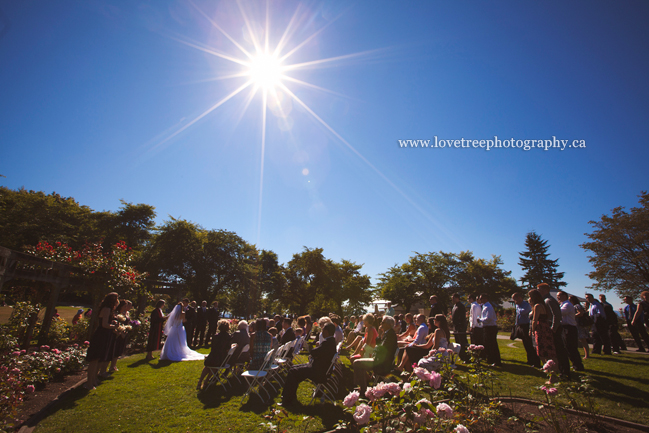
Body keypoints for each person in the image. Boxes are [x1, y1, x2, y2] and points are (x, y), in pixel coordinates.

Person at [282, 323, 337, 406]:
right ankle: (290, 396)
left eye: (323, 330)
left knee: (293, 372)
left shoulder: (327, 343)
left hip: (318, 372)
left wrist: (314, 349)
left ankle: (287, 398)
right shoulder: (331, 341)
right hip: (320, 369)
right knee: (293, 368)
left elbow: (314, 352)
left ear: (326, 331)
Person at [352, 315, 398, 396]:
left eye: (383, 322)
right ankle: (362, 386)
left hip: (382, 364)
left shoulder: (390, 335)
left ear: (388, 324)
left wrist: (375, 348)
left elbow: (381, 349)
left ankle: (363, 389)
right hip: (380, 360)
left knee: (356, 363)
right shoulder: (388, 333)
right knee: (357, 362)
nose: (381, 323)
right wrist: (380, 335)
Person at [85, 292, 119, 390]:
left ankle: (94, 379)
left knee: (99, 359)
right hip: (102, 334)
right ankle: (89, 382)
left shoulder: (108, 309)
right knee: (95, 359)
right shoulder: (107, 309)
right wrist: (114, 326)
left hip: (105, 334)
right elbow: (104, 324)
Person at [538, 283, 570, 379]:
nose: (538, 291)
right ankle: (558, 369)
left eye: (539, 289)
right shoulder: (545, 300)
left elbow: (557, 315)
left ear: (545, 290)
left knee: (559, 350)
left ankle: (565, 372)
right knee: (555, 351)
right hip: (552, 328)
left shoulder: (549, 300)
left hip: (554, 328)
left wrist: (553, 328)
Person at [529, 289, 557, 381]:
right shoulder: (543, 305)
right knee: (546, 351)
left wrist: (532, 330)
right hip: (545, 328)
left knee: (544, 352)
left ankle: (552, 375)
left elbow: (534, 319)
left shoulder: (537, 306)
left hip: (540, 329)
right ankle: (551, 373)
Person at [197, 319, 233, 390]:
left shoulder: (215, 336)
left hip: (212, 357)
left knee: (208, 366)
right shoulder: (229, 337)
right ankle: (206, 380)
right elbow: (227, 349)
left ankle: (200, 380)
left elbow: (213, 348)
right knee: (214, 366)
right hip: (221, 359)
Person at [511, 292, 540, 368]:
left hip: (526, 325)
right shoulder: (518, 305)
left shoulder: (526, 305)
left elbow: (523, 312)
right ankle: (529, 360)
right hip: (520, 325)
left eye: (515, 299)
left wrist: (518, 306)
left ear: (519, 298)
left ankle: (536, 361)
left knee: (530, 344)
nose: (514, 301)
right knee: (526, 344)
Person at [557, 291, 584, 371]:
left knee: (571, 347)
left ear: (564, 296)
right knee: (568, 347)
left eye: (559, 295)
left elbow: (560, 313)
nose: (558, 297)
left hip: (569, 328)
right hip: (565, 327)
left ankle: (578, 365)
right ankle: (575, 364)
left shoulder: (567, 305)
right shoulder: (563, 304)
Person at [477, 293, 501, 366]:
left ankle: (496, 360)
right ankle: (490, 359)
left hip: (490, 327)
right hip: (487, 327)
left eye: (481, 298)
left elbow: (489, 318)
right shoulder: (484, 306)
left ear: (485, 299)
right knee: (487, 344)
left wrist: (480, 320)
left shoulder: (488, 307)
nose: (480, 300)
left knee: (492, 344)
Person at [109, 300, 133, 373]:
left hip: (124, 331)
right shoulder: (118, 314)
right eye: (125, 306)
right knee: (115, 349)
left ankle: (114, 365)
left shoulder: (126, 313)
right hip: (118, 332)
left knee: (120, 349)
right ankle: (110, 366)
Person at [451, 293, 469, 361]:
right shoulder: (455, 306)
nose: (452, 300)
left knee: (462, 342)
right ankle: (461, 356)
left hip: (460, 327)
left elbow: (462, 318)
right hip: (456, 327)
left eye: (453, 298)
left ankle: (466, 356)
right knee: (458, 342)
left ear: (457, 298)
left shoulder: (460, 306)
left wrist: (461, 327)